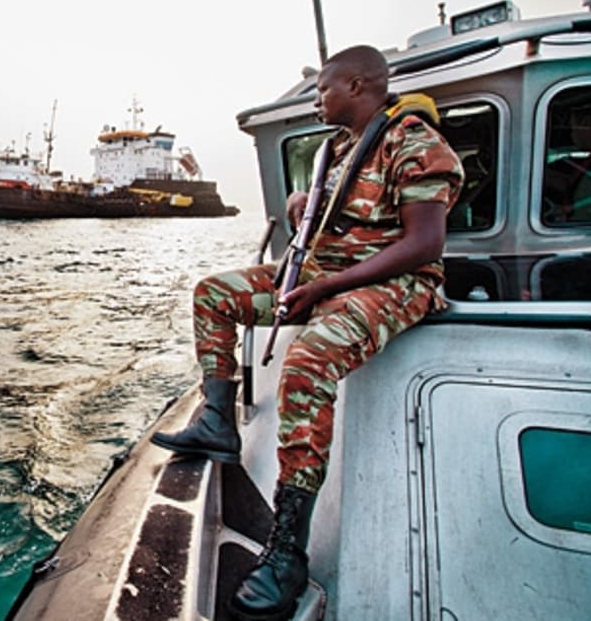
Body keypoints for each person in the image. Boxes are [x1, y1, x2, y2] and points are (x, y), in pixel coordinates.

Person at [149, 45, 464, 620]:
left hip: (397, 281)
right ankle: (219, 422)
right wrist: (303, 208)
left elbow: (424, 245)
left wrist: (325, 288)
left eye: (325, 88)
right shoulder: (335, 152)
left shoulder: (414, 142)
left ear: (361, 84)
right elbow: (336, 220)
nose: (318, 98)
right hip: (325, 273)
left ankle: (287, 551)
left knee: (307, 362)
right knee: (213, 295)